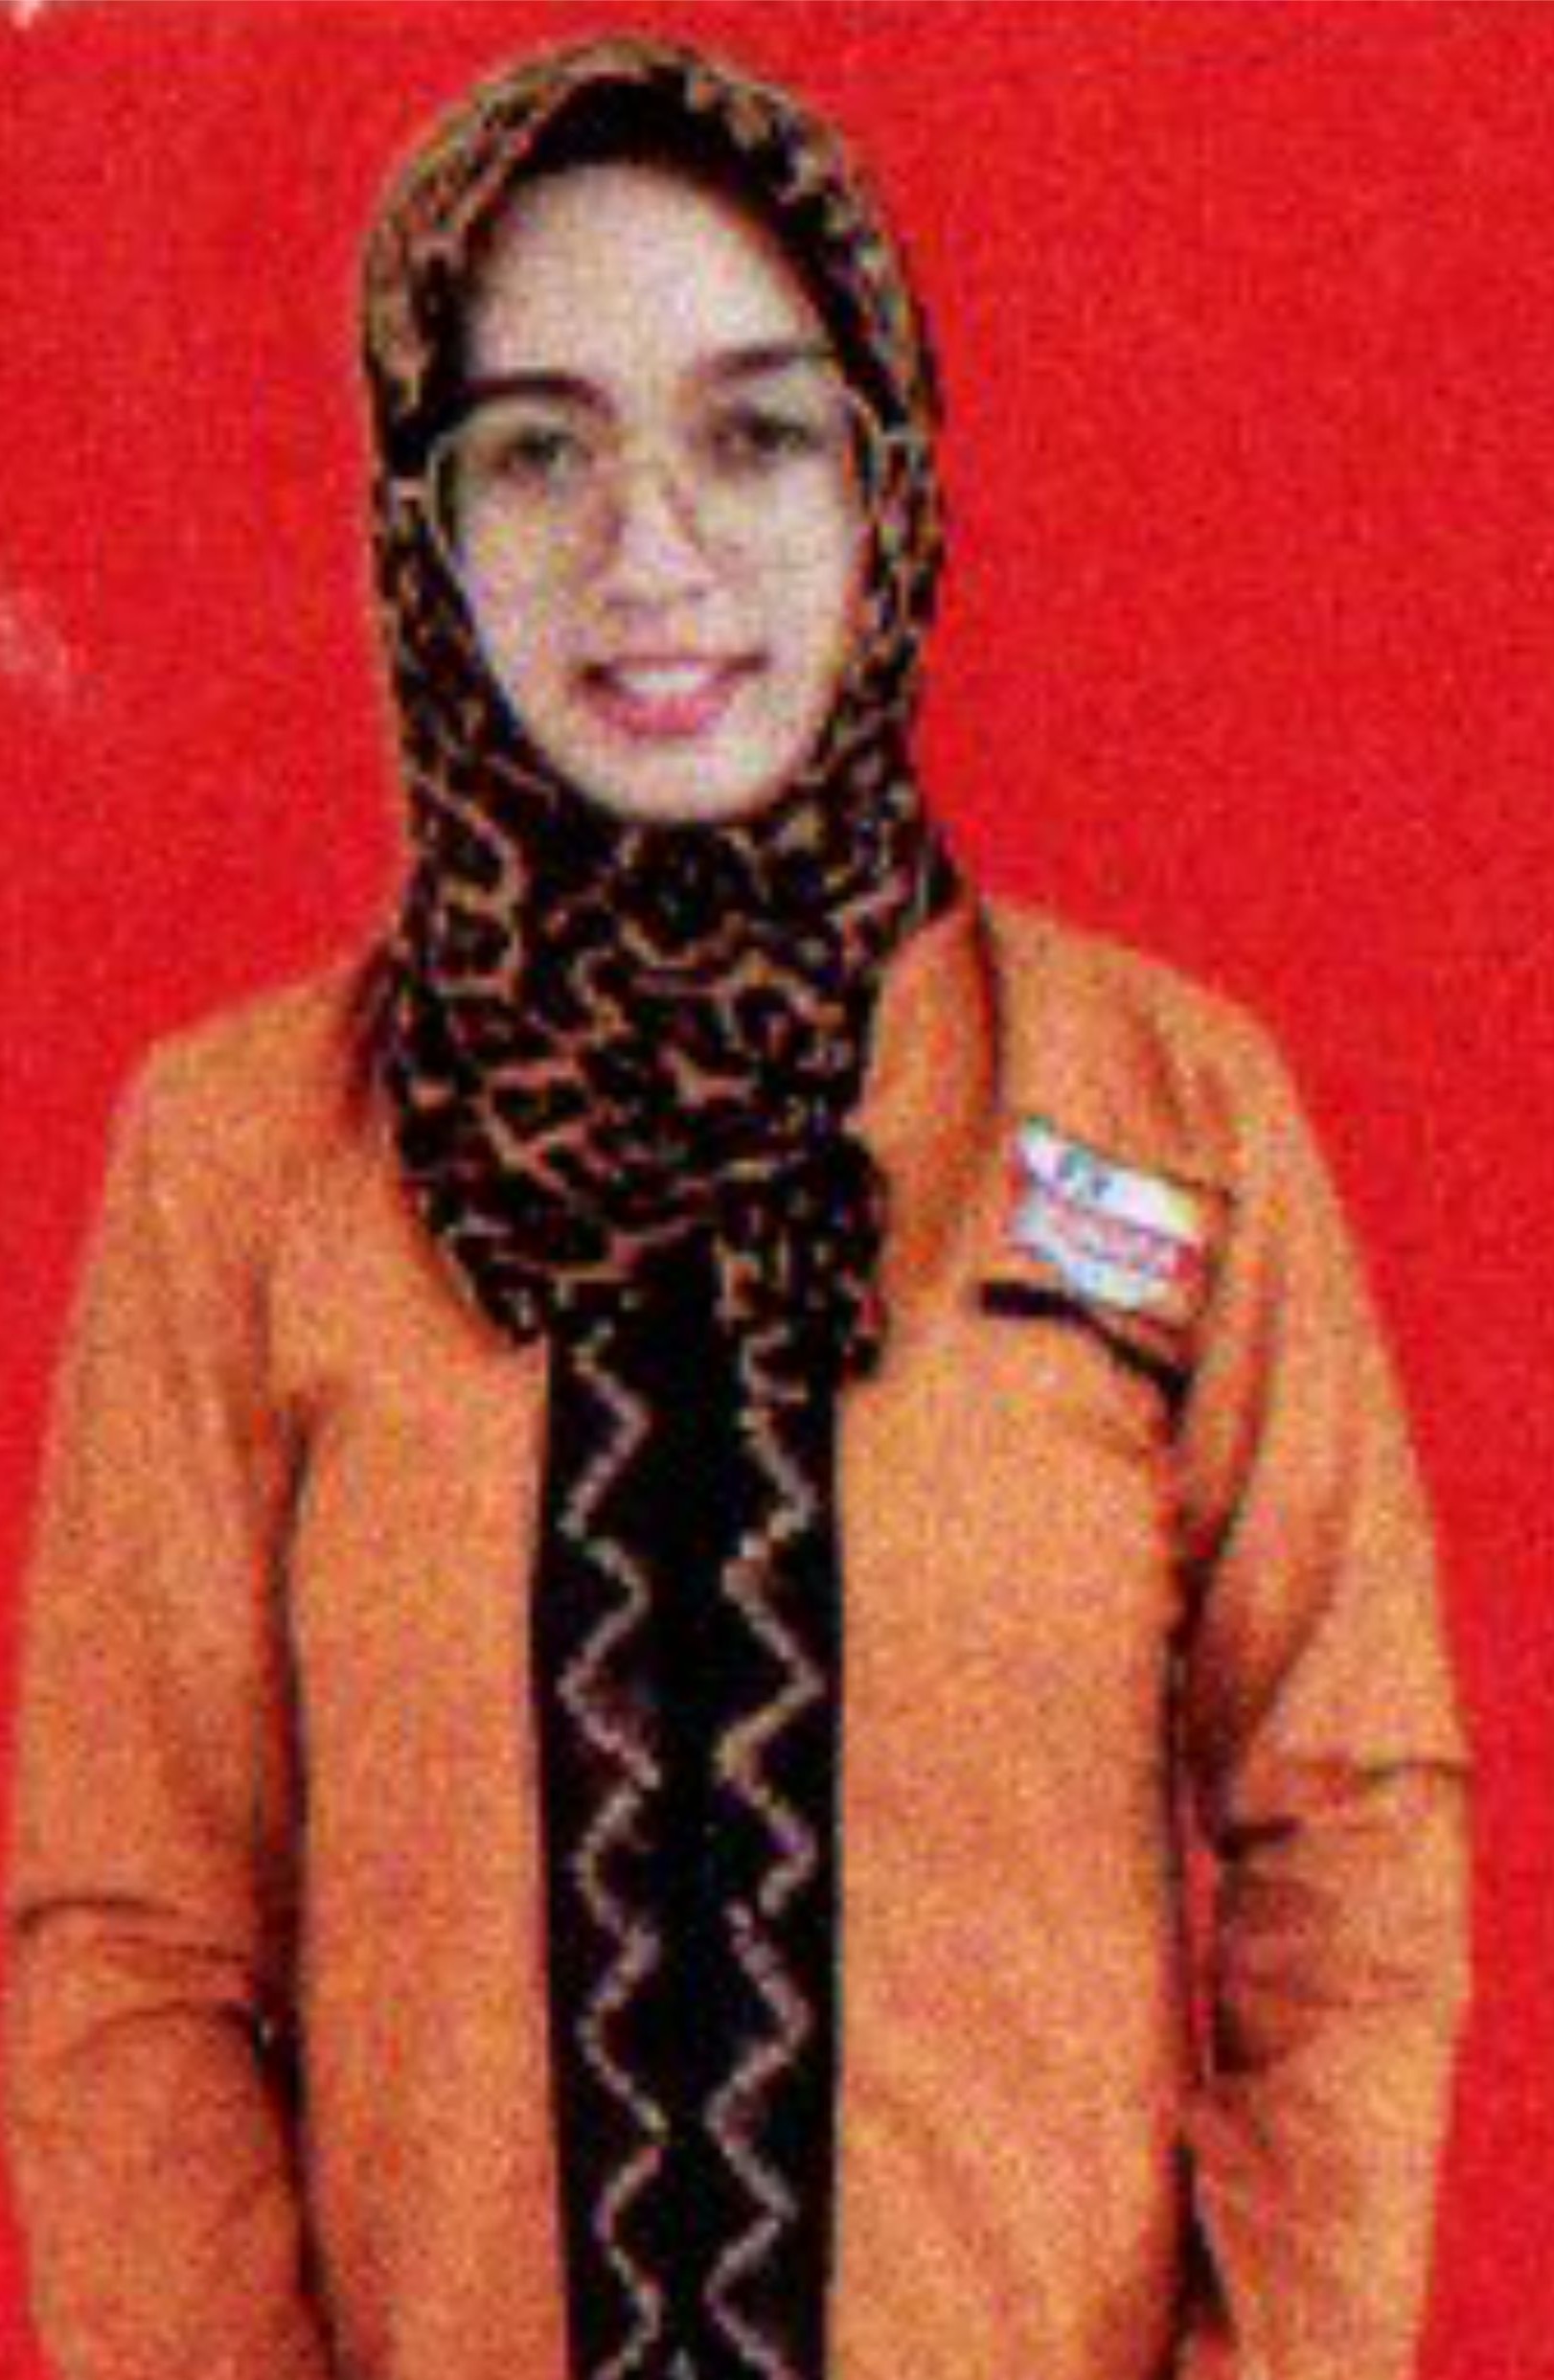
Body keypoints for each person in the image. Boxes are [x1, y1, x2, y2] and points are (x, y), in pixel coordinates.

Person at [2, 32, 1471, 2380]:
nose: (649, 553)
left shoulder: (1167, 1111)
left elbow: (1354, 1833)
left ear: (887, 489)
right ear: (423, 524)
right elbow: (125, 1945)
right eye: (539, 449)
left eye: (756, 435)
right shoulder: (246, 1156)